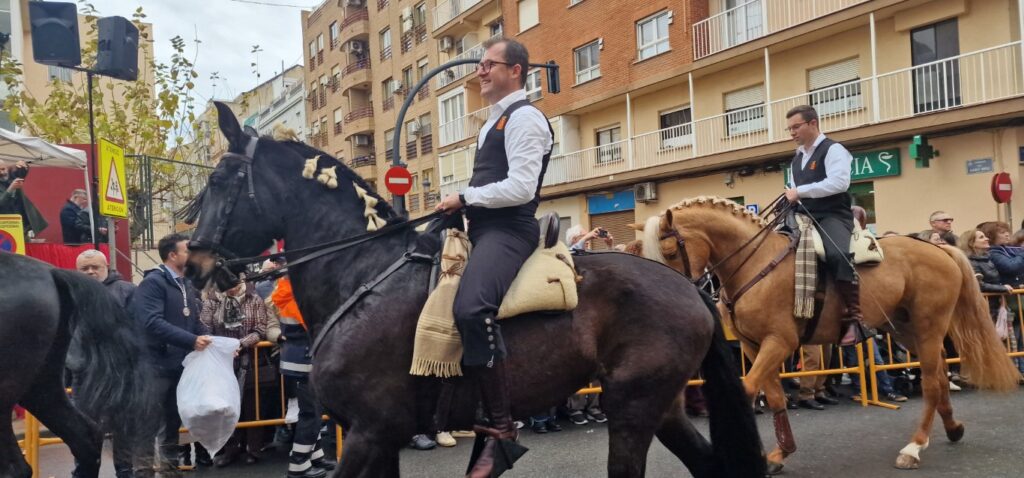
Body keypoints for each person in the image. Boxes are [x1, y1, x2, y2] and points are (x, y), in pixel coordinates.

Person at [434, 36, 553, 477]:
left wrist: (464, 195)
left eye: (489, 64)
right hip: (481, 228)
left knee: (471, 307)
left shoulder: (525, 119)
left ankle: (503, 428)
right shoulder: (491, 124)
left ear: (516, 70)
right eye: (480, 64)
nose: (480, 71)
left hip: (509, 231)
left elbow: (521, 188)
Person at [784, 104, 871, 346]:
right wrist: (791, 198)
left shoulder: (834, 150)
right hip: (804, 215)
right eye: (789, 128)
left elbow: (839, 183)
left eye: (796, 127)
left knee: (838, 253)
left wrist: (799, 192)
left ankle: (855, 317)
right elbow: (794, 193)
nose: (792, 133)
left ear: (813, 123)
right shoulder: (797, 158)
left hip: (832, 215)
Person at [133, 233, 212, 474]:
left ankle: (169, 470)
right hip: (154, 366)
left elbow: (193, 321)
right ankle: (143, 472)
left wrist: (212, 340)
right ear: (172, 255)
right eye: (187, 251)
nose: (192, 255)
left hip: (178, 365)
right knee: (148, 424)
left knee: (171, 423)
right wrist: (191, 340)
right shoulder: (153, 283)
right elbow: (151, 322)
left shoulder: (185, 283)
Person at [69, 249, 136, 478]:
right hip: (84, 375)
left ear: (107, 266)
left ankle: (125, 471)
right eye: (84, 269)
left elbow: (138, 328)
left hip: (120, 374)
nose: (90, 272)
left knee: (124, 428)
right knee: (85, 429)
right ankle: (85, 471)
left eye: (95, 267)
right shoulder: (69, 292)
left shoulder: (126, 290)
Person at [199, 276, 270, 467]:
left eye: (235, 284)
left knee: (252, 404)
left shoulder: (254, 299)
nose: (231, 288)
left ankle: (253, 449)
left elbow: (260, 328)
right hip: (222, 360)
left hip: (251, 359)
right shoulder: (211, 301)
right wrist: (223, 347)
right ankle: (231, 449)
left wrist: (241, 344)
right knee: (226, 407)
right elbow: (205, 327)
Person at [272, 274, 335, 478]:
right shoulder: (297, 298)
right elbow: (316, 327)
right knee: (311, 415)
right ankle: (298, 466)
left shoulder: (287, 293)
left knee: (310, 413)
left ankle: (315, 457)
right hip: (303, 362)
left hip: (298, 360)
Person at [0, 160, 47, 236]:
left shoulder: (11, 176)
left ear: (7, 168)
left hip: (22, 224)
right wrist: (10, 189)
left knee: (25, 246)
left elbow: (22, 172)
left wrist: (23, 164)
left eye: (3, 169)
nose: (2, 173)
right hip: (5, 226)